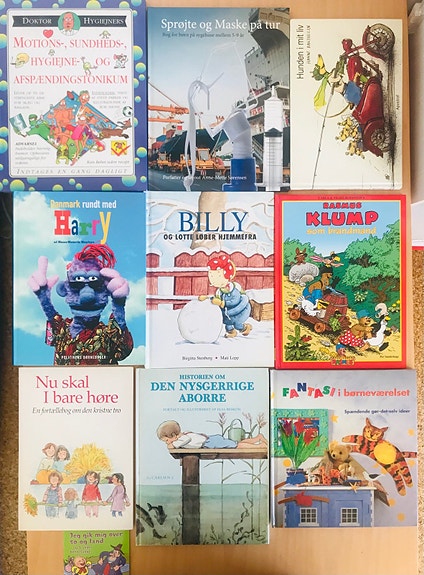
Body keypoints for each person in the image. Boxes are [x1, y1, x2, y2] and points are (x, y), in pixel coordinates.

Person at [157, 420, 268, 449]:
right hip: (211, 440)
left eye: (166, 440)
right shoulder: (184, 435)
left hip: (210, 442)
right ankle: (257, 438)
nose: (167, 443)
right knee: (235, 443)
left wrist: (171, 445)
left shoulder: (183, 438)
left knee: (236, 446)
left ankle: (260, 446)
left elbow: (174, 445)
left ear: (173, 435)